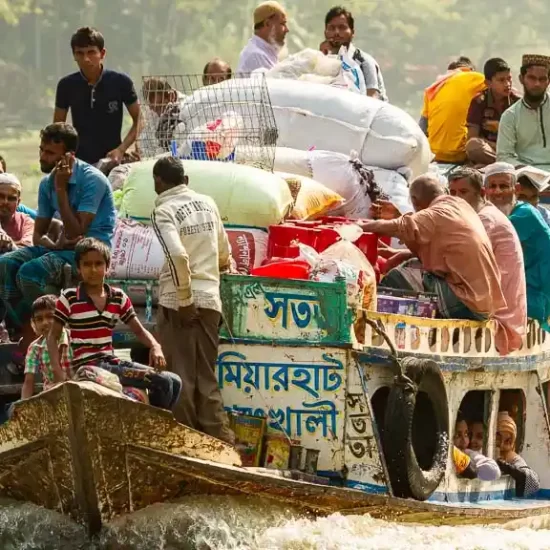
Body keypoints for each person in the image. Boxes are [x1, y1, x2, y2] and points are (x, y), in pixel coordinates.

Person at [0, 123, 116, 340]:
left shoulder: (92, 180)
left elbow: (76, 231)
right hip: (63, 248)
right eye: (42, 150)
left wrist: (61, 189)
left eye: (50, 153)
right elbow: (38, 235)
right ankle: (26, 327)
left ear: (68, 156)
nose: (43, 157)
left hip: (90, 250)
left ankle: (58, 331)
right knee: (5, 264)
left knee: (29, 272)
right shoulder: (46, 183)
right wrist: (55, 245)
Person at [151, 157, 234, 444]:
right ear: (185, 180)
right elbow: (223, 252)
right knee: (206, 378)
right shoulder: (207, 203)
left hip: (179, 303)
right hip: (211, 299)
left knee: (181, 379)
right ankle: (222, 444)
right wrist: (221, 266)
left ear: (157, 183)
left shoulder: (163, 209)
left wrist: (185, 300)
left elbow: (177, 255)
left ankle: (187, 446)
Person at [48, 238, 182, 411]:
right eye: (87, 264)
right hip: (89, 367)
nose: (93, 270)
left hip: (111, 362)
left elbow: (139, 331)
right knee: (162, 382)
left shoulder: (118, 297)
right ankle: (151, 427)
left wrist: (155, 346)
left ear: (107, 266)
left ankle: (154, 425)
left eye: (98, 264)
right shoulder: (70, 298)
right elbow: (53, 337)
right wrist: (57, 370)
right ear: (78, 268)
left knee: (175, 381)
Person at [361, 173, 505, 321]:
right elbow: (444, 249)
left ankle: (370, 323)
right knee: (412, 265)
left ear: (416, 202)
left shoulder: (436, 213)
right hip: (485, 302)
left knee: (397, 277)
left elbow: (400, 226)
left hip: (468, 302)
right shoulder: (460, 207)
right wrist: (403, 253)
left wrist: (356, 226)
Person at [448, 168, 526, 354]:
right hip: (499, 305)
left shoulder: (485, 219)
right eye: (452, 193)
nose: (457, 198)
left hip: (500, 314)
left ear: (482, 193)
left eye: (463, 192)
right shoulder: (481, 215)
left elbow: (456, 260)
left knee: (422, 278)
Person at [53, 27, 140, 166]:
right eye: (80, 53)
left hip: (113, 160)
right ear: (74, 55)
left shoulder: (120, 82)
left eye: (91, 52)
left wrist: (121, 149)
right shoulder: (66, 85)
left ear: (102, 53)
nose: (86, 59)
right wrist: (64, 156)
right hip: (80, 162)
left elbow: (140, 119)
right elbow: (57, 128)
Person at [484, 162, 550, 330]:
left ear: (517, 189)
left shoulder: (524, 214)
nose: (497, 191)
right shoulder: (505, 214)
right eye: (492, 186)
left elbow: (481, 245)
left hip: (536, 295)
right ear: (485, 191)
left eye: (504, 186)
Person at [420, 57, 486, 163]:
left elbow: (423, 126)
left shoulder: (434, 87)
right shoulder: (474, 77)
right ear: (470, 69)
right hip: (461, 152)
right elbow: (500, 88)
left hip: (433, 154)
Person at [497, 55, 550, 169]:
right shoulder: (510, 116)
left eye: (542, 79)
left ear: (548, 81)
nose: (537, 84)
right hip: (527, 174)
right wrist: (527, 171)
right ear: (521, 79)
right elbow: (504, 156)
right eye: (532, 78)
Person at [323, 6, 388, 101]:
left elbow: (372, 99)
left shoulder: (364, 62)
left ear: (352, 32)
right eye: (331, 28)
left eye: (342, 28)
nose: (336, 32)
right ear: (325, 32)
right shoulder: (322, 60)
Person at [466, 58, 521, 167]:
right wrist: (494, 146)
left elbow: (523, 138)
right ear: (488, 83)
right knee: (472, 146)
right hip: (491, 150)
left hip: (513, 150)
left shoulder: (518, 102)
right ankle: (509, 166)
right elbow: (472, 137)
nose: (507, 84)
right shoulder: (479, 102)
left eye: (509, 79)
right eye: (501, 80)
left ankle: (496, 165)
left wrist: (500, 127)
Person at [20, 295, 72, 400]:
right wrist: (22, 407)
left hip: (77, 394)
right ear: (34, 323)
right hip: (52, 399)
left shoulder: (75, 339)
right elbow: (28, 382)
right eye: (39, 319)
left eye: (50, 316)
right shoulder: (35, 347)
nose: (45, 323)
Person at [237, 1, 289, 74]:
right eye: (282, 24)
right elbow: (275, 84)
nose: (287, 30)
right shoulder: (256, 55)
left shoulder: (265, 52)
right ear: (267, 24)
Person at [496, 412, 540, 497]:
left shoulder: (511, 458)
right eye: (498, 438)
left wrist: (507, 467)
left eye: (507, 441)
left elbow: (533, 482)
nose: (501, 445)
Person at [142, 78, 186, 152]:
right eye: (151, 107)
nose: (154, 111)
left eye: (158, 106)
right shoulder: (151, 110)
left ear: (171, 96)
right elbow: (147, 144)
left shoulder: (187, 106)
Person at [454, 415, 500, 481]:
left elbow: (494, 472)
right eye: (457, 435)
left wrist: (458, 457)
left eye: (466, 434)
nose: (465, 441)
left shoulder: (468, 454)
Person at [0, 173, 34, 252]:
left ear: (18, 202)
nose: (5, 202)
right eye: (0, 196)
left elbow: (28, 250)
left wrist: (10, 244)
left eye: (11, 198)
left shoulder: (26, 223)